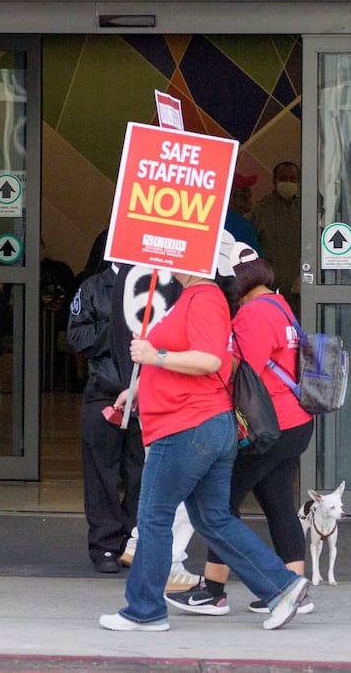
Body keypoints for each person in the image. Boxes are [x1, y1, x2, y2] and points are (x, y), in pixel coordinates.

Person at [97, 237, 310, 633]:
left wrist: (153, 357)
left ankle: (144, 610)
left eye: (174, 247)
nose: (164, 255)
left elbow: (212, 359)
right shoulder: (195, 297)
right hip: (201, 426)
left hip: (186, 426)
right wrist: (139, 388)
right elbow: (202, 357)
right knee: (213, 519)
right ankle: (282, 586)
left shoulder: (204, 298)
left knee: (154, 518)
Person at [167, 242, 316, 617]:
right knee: (279, 503)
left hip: (268, 428)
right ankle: (297, 588)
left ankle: (213, 591)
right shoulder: (280, 305)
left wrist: (205, 354)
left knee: (220, 505)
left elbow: (241, 370)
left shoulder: (251, 315)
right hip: (295, 422)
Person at [65, 259, 188, 575]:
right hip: (103, 392)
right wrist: (121, 327)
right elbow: (76, 338)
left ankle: (135, 542)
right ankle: (105, 545)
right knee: (101, 474)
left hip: (152, 395)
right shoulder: (94, 287)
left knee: (142, 473)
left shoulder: (164, 284)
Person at [252, 161, 302, 314]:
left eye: (292, 178)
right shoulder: (261, 211)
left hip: (300, 289)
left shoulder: (306, 209)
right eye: (283, 178)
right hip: (270, 287)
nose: (288, 182)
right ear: (274, 181)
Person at [224, 174, 261, 252]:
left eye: (249, 196)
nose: (249, 202)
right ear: (230, 197)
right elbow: (254, 261)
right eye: (244, 197)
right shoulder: (243, 226)